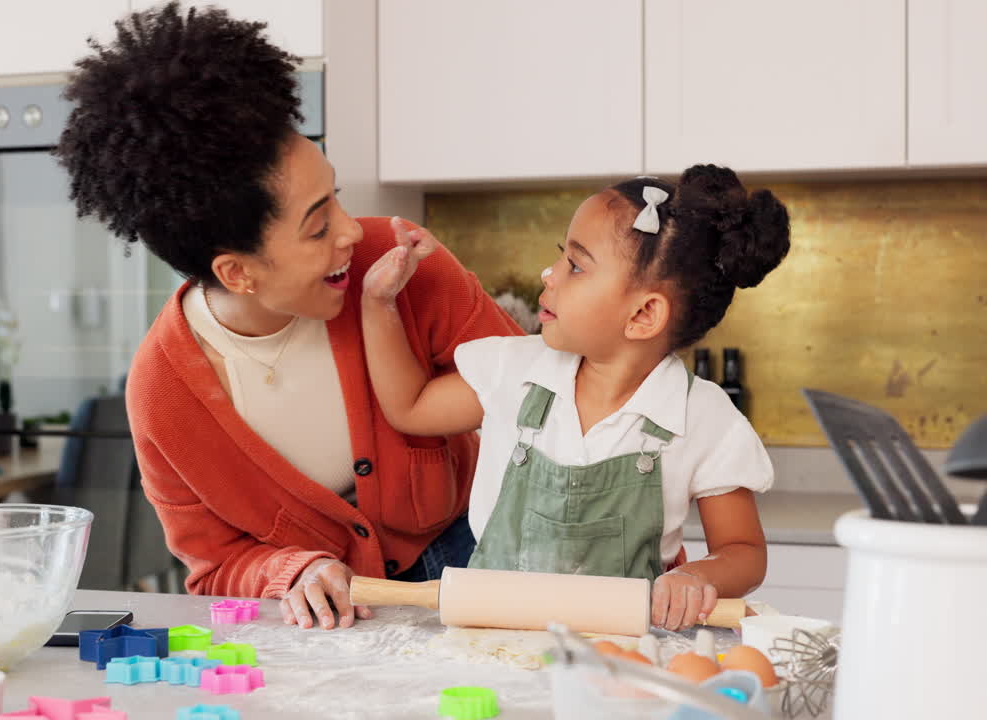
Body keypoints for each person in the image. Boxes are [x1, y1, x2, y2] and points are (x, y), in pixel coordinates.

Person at [53, 2, 521, 631]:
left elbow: (535, 390)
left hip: (479, 552)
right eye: (318, 227)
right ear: (237, 273)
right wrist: (295, 570)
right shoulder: (164, 396)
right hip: (333, 618)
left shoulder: (399, 262)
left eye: (336, 197)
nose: (352, 232)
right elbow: (216, 564)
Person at [361, 166, 790, 630]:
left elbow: (744, 551)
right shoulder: (514, 370)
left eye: (576, 265)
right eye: (561, 256)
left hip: (622, 650)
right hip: (491, 640)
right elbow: (410, 407)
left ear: (644, 314)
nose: (549, 274)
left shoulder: (701, 416)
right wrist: (378, 304)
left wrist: (696, 576)